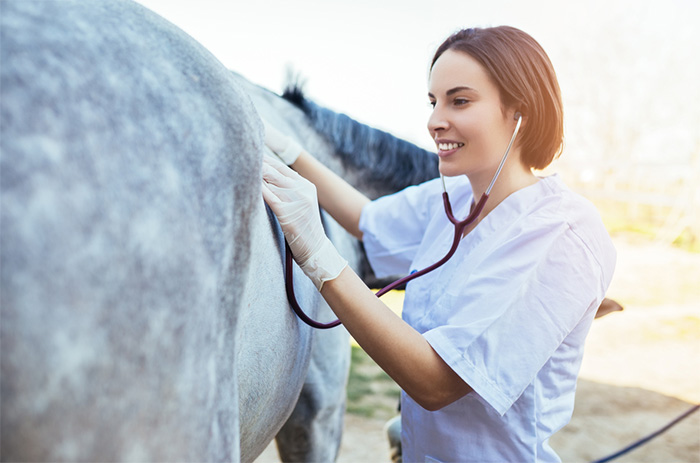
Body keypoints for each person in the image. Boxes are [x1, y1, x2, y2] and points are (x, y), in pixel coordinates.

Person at [261, 26, 616, 463]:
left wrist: (317, 253)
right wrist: (286, 149)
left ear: (519, 112)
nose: (434, 121)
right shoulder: (453, 197)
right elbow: (366, 220)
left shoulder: (561, 233)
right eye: (433, 102)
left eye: (459, 100)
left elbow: (436, 382)